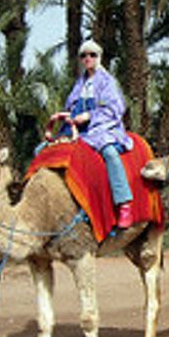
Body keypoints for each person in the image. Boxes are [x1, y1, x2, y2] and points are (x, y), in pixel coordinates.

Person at [53, 40, 135, 228]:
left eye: (92, 55)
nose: (87, 59)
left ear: (98, 57)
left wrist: (89, 116)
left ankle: (124, 204)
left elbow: (115, 108)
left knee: (109, 153)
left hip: (102, 128)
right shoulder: (79, 84)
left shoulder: (107, 82)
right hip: (77, 131)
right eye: (83, 55)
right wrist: (67, 116)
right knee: (45, 150)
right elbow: (73, 108)